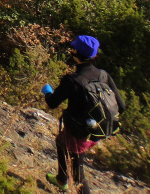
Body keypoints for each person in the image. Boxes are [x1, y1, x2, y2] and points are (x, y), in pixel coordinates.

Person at [42, 35, 126, 193]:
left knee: (79, 177)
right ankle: (61, 179)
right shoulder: (103, 75)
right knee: (60, 141)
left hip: (78, 133)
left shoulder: (73, 80)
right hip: (98, 131)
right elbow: (121, 106)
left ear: (75, 53)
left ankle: (64, 181)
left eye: (73, 48)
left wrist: (47, 92)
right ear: (94, 55)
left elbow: (52, 103)